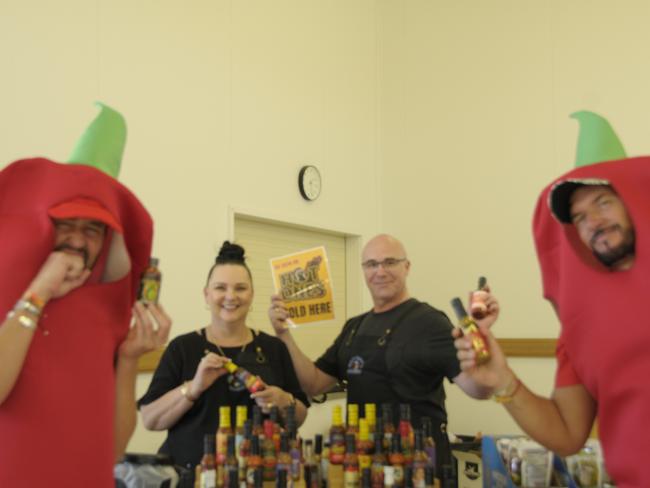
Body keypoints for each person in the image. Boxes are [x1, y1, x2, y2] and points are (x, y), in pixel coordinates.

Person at [454, 111, 650, 488]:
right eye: (578, 217)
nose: (592, 220)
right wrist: (501, 380)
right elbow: (566, 433)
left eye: (604, 202)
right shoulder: (582, 326)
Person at [0, 158, 170, 487]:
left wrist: (130, 357)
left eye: (92, 230)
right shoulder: (8, 289)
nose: (78, 241)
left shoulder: (107, 314)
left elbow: (114, 448)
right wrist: (39, 292)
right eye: (66, 224)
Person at [268, 234, 494, 468]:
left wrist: (482, 342)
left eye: (390, 262)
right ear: (364, 270)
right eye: (372, 264)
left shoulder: (430, 323)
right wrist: (283, 334)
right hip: (365, 462)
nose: (380, 271)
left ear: (406, 267)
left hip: (418, 463)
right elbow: (314, 383)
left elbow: (479, 390)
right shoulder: (354, 327)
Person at [138, 241, 310, 470]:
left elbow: (299, 417)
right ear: (206, 295)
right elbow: (150, 419)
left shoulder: (273, 348)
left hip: (259, 474)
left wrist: (282, 400)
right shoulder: (183, 347)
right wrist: (193, 388)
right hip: (192, 475)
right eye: (220, 288)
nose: (231, 296)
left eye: (240, 288)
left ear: (251, 295)